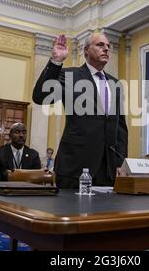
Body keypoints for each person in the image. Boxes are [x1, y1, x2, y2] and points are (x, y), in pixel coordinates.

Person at [32, 33, 128, 189]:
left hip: (108, 170)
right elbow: (40, 97)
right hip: (75, 167)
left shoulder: (115, 84)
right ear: (86, 51)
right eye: (100, 45)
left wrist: (121, 162)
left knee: (107, 213)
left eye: (108, 46)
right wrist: (56, 62)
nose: (106, 49)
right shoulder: (70, 75)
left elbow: (121, 128)